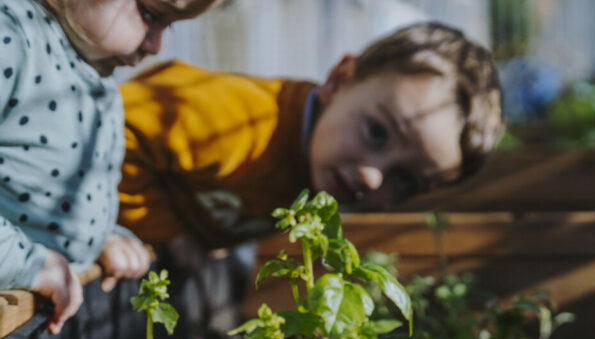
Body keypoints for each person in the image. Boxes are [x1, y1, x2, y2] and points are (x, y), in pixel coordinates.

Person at [118, 22, 505, 265]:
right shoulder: (238, 123)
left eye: (406, 181)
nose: (373, 178)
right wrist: (170, 234)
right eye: (377, 132)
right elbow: (117, 129)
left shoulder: (316, 172)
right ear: (339, 80)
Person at [0, 0, 222, 334]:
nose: (156, 45)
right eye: (150, 15)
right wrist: (27, 264)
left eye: (169, 26)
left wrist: (97, 239)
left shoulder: (94, 75)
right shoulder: (13, 36)